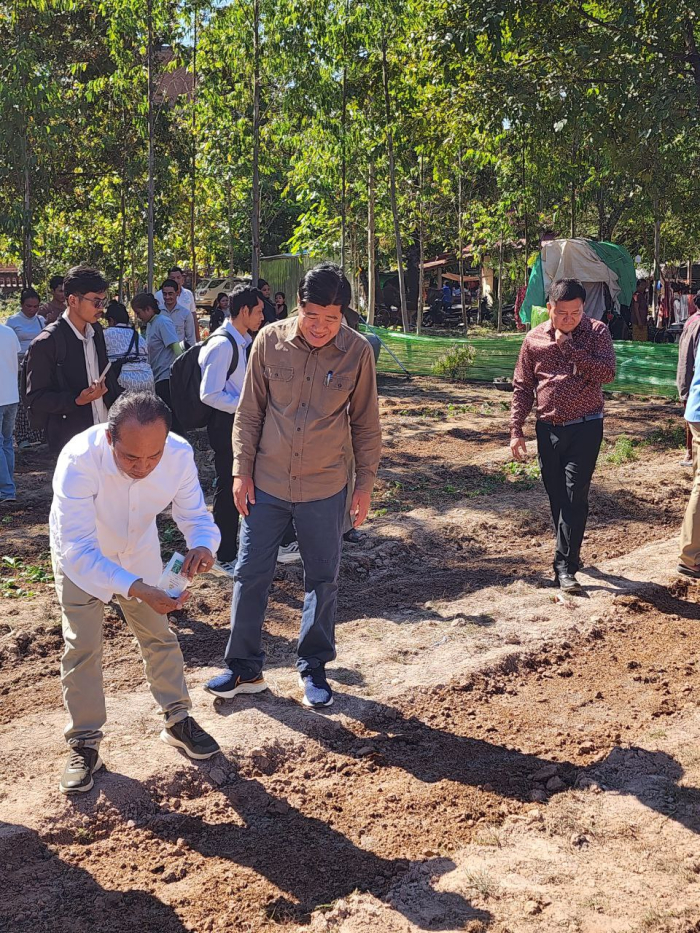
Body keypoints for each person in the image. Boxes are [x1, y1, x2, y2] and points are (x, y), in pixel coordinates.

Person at [205, 262, 382, 709]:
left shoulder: (357, 352)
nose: (320, 327)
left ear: (344, 315)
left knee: (322, 578)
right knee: (250, 572)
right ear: (298, 307)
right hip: (266, 483)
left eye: (331, 319)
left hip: (326, 485)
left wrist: (364, 486)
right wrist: (241, 471)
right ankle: (244, 667)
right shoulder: (269, 340)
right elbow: (249, 412)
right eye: (312, 316)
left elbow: (365, 424)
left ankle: (314, 667)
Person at [50, 392, 221, 794]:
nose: (143, 467)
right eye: (130, 458)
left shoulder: (178, 454)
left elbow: (195, 516)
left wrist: (202, 546)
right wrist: (137, 588)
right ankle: (85, 744)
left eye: (153, 456)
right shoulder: (78, 459)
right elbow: (79, 549)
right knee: (82, 648)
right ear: (110, 438)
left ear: (166, 440)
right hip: (82, 560)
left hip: (139, 552)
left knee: (159, 636)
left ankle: (177, 720)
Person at [510, 278, 616, 594]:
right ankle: (570, 551)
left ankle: (565, 569)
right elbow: (522, 387)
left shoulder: (596, 333)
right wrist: (516, 429)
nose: (569, 319)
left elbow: (607, 373)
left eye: (576, 312)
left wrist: (569, 347)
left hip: (586, 427)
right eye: (562, 313)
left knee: (574, 496)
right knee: (558, 498)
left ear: (584, 308)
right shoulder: (533, 340)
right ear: (549, 309)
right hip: (548, 430)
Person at [200, 285, 265, 576]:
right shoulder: (223, 344)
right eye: (259, 311)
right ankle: (223, 554)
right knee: (228, 486)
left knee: (238, 484)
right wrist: (245, 405)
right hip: (224, 423)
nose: (262, 317)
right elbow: (209, 393)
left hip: (236, 421)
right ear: (244, 311)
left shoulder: (240, 341)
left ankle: (231, 548)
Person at [24, 266, 120, 454]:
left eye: (103, 301)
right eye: (96, 302)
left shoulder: (96, 331)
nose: (101, 308)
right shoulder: (47, 342)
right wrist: (76, 400)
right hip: (71, 442)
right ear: (73, 300)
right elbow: (35, 398)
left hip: (105, 435)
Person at [131, 293, 183, 434]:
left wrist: (181, 372)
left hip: (167, 376)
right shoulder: (151, 325)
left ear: (148, 309)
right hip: (157, 375)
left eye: (139, 312)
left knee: (171, 418)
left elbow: (176, 348)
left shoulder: (163, 322)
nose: (138, 316)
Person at [6, 288, 46, 448]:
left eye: (36, 306)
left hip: (38, 367)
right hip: (19, 368)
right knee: (22, 403)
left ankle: (39, 435)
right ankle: (22, 437)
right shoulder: (12, 321)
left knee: (37, 400)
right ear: (22, 305)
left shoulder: (41, 320)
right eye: (29, 306)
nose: (32, 310)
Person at [103, 300, 154, 393]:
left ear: (111, 320)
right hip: (147, 377)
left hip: (124, 379)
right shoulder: (137, 336)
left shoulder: (106, 334)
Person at [676, 291, 700, 468]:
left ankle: (689, 452)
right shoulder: (697, 323)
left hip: (687, 376)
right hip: (693, 377)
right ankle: (691, 454)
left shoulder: (691, 320)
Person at [0, 320, 21, 502]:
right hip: (11, 396)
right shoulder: (9, 332)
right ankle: (8, 486)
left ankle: (7, 489)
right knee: (6, 442)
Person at [155, 266, 199, 341]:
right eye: (173, 278)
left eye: (178, 277)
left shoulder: (188, 294)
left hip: (183, 340)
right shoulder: (159, 295)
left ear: (182, 279)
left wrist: (197, 338)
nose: (176, 280)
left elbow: (193, 315)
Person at [156, 278, 196, 348]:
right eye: (165, 294)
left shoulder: (186, 313)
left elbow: (191, 339)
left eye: (170, 294)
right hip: (161, 353)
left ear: (177, 293)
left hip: (179, 353)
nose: (167, 297)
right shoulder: (157, 313)